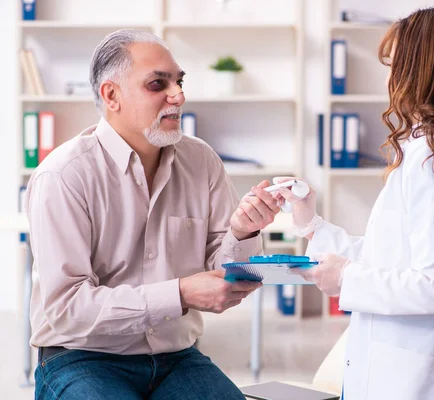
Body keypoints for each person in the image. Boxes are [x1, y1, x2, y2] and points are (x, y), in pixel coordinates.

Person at [279, 6, 434, 400]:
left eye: (394, 65)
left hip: (422, 371)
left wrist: (346, 278)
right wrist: (311, 224)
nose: (387, 79)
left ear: (424, 71)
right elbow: (399, 258)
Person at [25, 29, 279, 400]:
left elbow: (223, 272)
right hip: (81, 358)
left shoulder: (201, 160)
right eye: (157, 83)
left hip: (176, 358)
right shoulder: (64, 175)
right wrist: (179, 293)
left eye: (178, 81)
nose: (178, 95)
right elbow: (68, 308)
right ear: (111, 95)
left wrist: (241, 233)